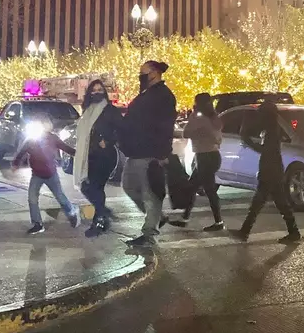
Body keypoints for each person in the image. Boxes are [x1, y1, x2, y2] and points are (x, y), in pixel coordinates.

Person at [119, 60, 177, 249]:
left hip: (151, 152)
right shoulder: (145, 94)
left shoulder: (164, 96)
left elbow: (166, 126)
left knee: (151, 194)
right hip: (135, 151)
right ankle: (157, 218)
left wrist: (163, 152)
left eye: (143, 72)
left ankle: (149, 233)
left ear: (154, 73)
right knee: (129, 186)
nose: (140, 76)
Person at [232, 98, 300, 243]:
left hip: (270, 170)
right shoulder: (271, 128)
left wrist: (248, 142)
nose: (259, 116)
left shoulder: (271, 130)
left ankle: (245, 231)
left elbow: (267, 151)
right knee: (278, 202)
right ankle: (293, 231)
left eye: (262, 113)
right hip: (273, 169)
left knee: (259, 202)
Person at [73, 79, 122, 238]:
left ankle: (99, 221)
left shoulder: (110, 110)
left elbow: (122, 129)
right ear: (89, 93)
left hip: (105, 156)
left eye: (100, 89)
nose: (97, 92)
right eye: (94, 90)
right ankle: (103, 212)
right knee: (87, 187)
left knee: (95, 187)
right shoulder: (87, 110)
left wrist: (108, 141)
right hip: (89, 156)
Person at [170, 93, 225, 231]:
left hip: (204, 157)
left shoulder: (199, 117)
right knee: (193, 187)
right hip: (212, 155)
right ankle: (185, 218)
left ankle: (218, 222)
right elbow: (217, 137)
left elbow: (186, 133)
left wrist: (194, 120)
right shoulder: (214, 117)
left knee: (209, 190)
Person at [13, 123, 79, 235]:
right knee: (32, 199)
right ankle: (37, 224)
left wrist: (80, 155)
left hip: (51, 174)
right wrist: (15, 164)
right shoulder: (31, 140)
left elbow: (66, 148)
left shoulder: (52, 138)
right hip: (36, 175)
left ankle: (72, 212)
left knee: (60, 197)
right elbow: (21, 152)